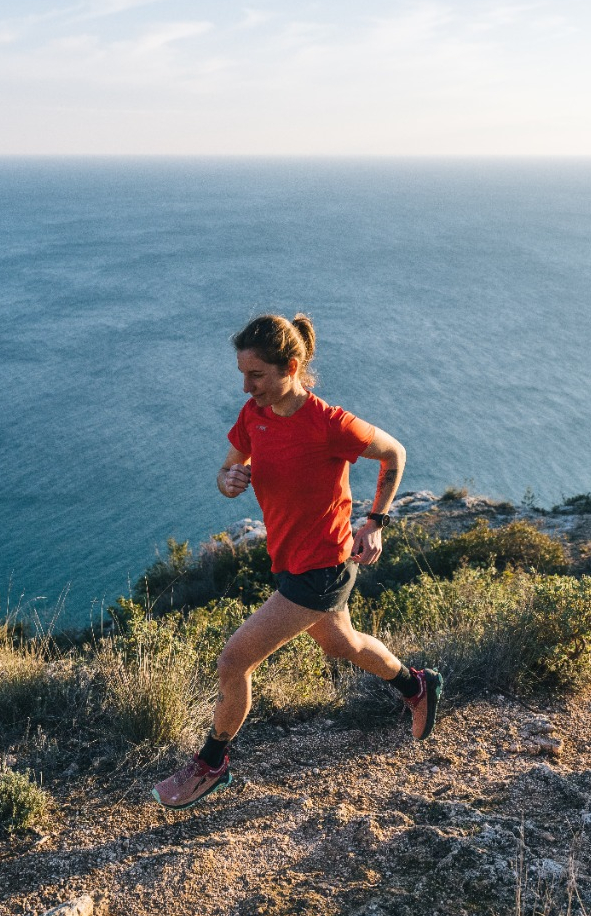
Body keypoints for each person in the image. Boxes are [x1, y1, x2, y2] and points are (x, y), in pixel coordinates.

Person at [153, 313, 443, 810]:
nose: (247, 387)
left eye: (257, 376)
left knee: (234, 660)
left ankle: (212, 763)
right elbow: (227, 468)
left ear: (290, 367)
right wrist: (228, 482)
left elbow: (393, 453)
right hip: (289, 560)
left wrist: (375, 522)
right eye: (243, 375)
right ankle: (418, 684)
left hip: (322, 568)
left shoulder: (329, 424)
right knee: (343, 644)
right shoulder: (253, 416)